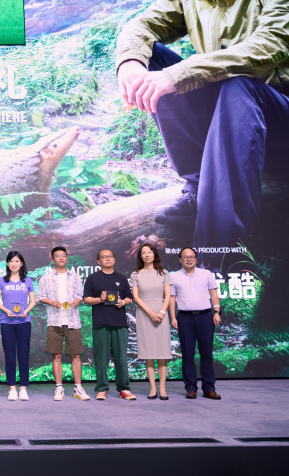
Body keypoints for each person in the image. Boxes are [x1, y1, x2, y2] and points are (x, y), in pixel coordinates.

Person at [115, 0, 289, 248]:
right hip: (231, 115)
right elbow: (142, 25)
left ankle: (222, 249)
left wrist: (178, 75)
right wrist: (130, 63)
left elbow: (271, 44)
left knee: (238, 83)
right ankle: (199, 189)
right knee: (151, 55)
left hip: (279, 117)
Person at [37, 246, 89, 401]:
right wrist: (51, 302)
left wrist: (78, 299)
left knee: (76, 355)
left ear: (67, 258)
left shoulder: (75, 276)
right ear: (52, 259)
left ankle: (78, 388)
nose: (61, 258)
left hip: (73, 321)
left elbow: (80, 294)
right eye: (58, 256)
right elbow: (40, 296)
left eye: (63, 255)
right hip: (55, 321)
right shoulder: (46, 277)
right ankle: (59, 388)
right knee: (57, 355)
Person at [169, 247, 222, 400]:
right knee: (187, 353)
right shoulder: (174, 277)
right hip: (185, 318)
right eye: (185, 257)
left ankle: (209, 388)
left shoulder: (206, 274)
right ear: (180, 259)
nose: (189, 259)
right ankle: (191, 387)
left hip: (205, 317)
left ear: (196, 259)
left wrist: (216, 311)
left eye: (191, 256)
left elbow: (213, 293)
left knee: (206, 353)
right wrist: (173, 317)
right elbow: (171, 298)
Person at [83, 249, 136, 401]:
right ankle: (101, 388)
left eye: (110, 256)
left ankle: (124, 388)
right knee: (101, 358)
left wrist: (122, 302)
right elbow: (86, 299)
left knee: (121, 358)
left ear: (114, 259)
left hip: (119, 323)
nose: (107, 259)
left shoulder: (121, 278)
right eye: (104, 257)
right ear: (98, 261)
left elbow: (129, 298)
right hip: (101, 323)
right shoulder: (92, 278)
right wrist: (100, 299)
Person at [130, 243, 173, 400]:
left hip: (161, 312)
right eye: (143, 253)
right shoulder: (136, 274)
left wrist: (161, 312)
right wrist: (150, 312)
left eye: (150, 252)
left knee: (162, 352)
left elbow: (168, 295)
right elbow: (136, 297)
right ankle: (153, 388)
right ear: (140, 256)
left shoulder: (164, 273)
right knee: (148, 353)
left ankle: (162, 388)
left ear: (155, 254)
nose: (147, 255)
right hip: (144, 313)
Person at [0, 251, 36, 401]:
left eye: (17, 261)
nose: (14, 264)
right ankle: (12, 388)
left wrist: (26, 311)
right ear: (7, 263)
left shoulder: (27, 281)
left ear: (21, 263)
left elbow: (33, 301)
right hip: (7, 323)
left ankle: (23, 388)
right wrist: (6, 310)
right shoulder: (1, 281)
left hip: (24, 322)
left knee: (23, 356)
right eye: (11, 261)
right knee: (10, 356)